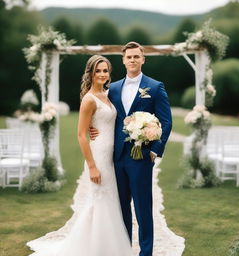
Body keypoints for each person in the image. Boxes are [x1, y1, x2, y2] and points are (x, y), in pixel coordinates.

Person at [26, 55, 134, 256]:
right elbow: (81, 135)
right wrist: (92, 166)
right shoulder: (89, 99)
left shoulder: (108, 95)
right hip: (99, 157)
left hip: (113, 156)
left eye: (105, 70)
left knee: (110, 201)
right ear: (91, 73)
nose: (102, 74)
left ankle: (106, 246)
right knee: (101, 199)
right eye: (98, 71)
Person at [91, 41, 172, 256]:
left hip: (142, 156)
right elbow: (102, 113)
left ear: (143, 59)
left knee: (143, 208)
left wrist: (155, 150)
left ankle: (145, 253)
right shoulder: (113, 87)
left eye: (137, 56)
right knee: (121, 208)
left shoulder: (155, 87)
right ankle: (124, 249)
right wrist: (92, 128)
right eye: (129, 57)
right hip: (116, 157)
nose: (133, 60)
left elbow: (166, 121)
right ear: (123, 60)